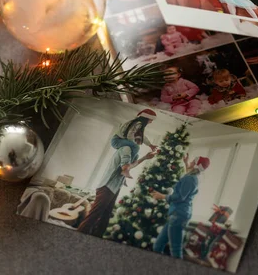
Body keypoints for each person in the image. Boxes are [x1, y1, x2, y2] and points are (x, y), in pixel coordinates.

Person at [77, 109, 159, 237]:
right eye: (137, 141)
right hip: (107, 186)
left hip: (115, 187)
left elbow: (131, 165)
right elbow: (126, 167)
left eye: (138, 141)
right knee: (93, 217)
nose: (138, 143)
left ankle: (96, 239)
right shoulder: (125, 148)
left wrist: (146, 157)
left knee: (104, 218)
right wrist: (128, 164)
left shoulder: (132, 151)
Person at [152, 155, 210, 258]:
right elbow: (188, 172)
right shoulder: (192, 177)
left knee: (176, 250)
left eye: (193, 161)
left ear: (196, 165)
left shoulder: (190, 179)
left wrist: (162, 196)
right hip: (175, 214)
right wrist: (186, 163)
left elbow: (180, 197)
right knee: (158, 245)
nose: (191, 162)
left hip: (179, 215)